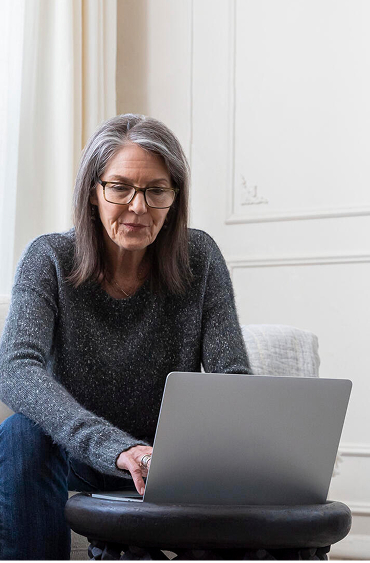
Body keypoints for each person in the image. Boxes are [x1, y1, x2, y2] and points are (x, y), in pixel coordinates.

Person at [0, 113, 251, 560]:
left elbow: (231, 374)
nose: (138, 207)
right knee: (22, 433)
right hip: (78, 452)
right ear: (93, 193)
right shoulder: (49, 258)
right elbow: (16, 369)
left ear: (174, 198)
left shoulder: (199, 256)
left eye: (156, 190)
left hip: (169, 461)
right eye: (120, 187)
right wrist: (118, 449)